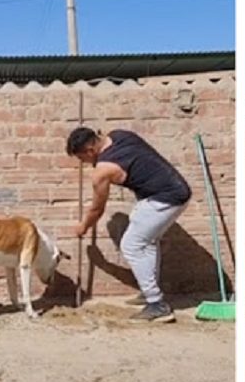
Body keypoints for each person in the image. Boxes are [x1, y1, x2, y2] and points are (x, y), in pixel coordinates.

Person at [66, 127, 191, 323]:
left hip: (165, 198)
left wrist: (83, 226)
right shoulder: (119, 135)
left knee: (131, 245)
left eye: (82, 159)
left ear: (90, 150)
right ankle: (148, 291)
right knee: (147, 242)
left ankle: (157, 304)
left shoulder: (103, 170)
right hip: (175, 189)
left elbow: (97, 209)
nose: (84, 164)